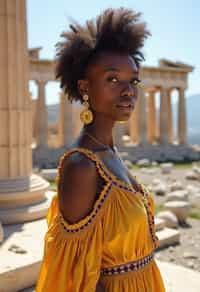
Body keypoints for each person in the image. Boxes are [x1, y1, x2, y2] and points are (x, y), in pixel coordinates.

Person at [36, 7, 166, 292]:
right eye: (112, 79)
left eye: (133, 81)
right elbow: (73, 276)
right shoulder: (81, 166)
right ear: (84, 87)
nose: (128, 91)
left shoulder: (110, 153)